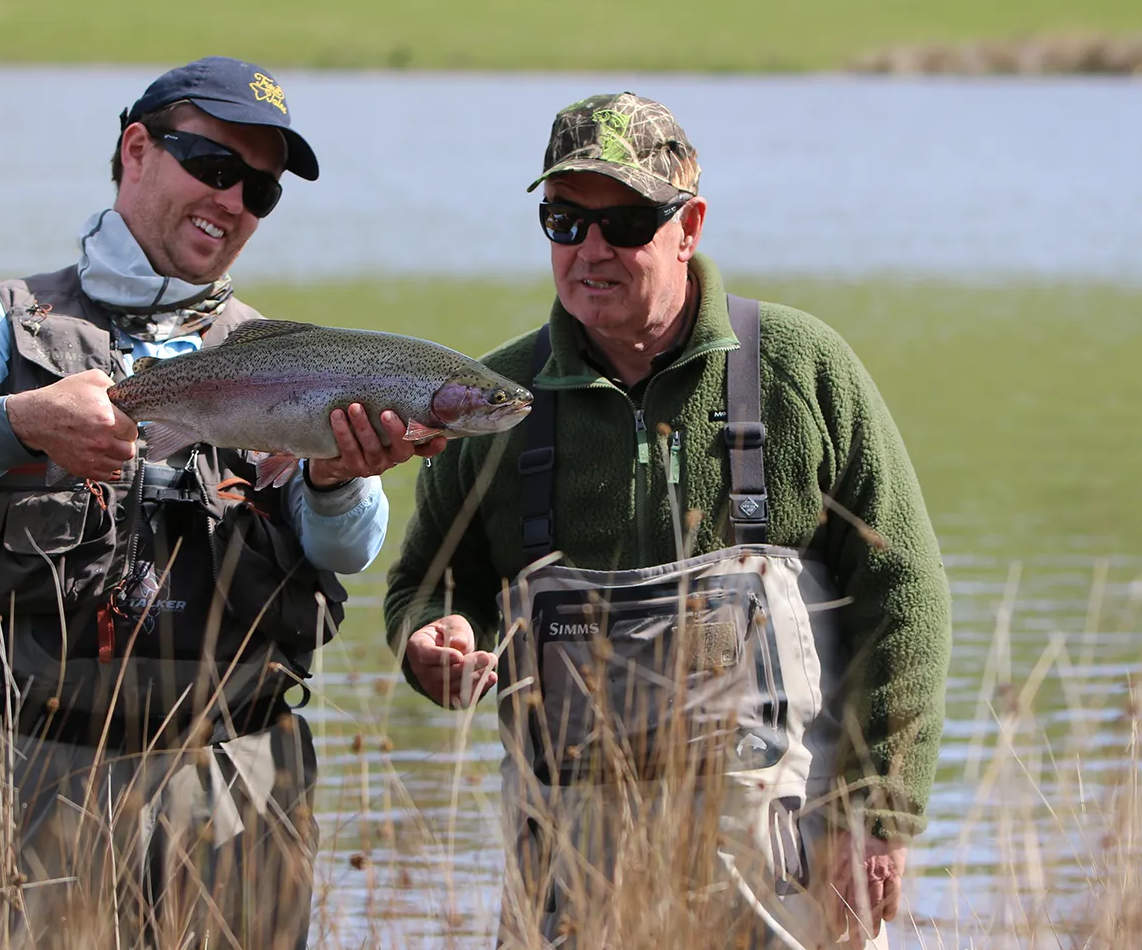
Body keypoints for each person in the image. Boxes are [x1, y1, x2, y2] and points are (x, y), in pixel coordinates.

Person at [0, 57, 443, 949]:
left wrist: (335, 477)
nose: (235, 199)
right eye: (213, 166)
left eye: (260, 189)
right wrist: (19, 423)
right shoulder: (1, 321)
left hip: (242, 784)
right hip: (33, 775)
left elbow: (348, 551)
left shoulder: (286, 354)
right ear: (136, 148)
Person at [383, 93, 951, 948]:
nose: (592, 249)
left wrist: (877, 812)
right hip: (566, 890)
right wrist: (431, 642)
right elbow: (423, 587)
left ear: (690, 225)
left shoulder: (804, 371)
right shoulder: (492, 401)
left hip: (786, 880)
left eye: (626, 221)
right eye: (565, 221)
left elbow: (904, 592)